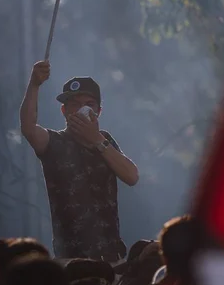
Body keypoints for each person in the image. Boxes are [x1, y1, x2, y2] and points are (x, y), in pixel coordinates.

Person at [20, 60, 139, 262]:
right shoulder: (54, 142)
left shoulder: (105, 140)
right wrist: (34, 85)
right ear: (64, 111)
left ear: (99, 111)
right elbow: (29, 128)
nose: (82, 110)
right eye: (74, 104)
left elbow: (132, 176)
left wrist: (96, 140)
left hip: (110, 256)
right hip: (71, 259)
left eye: (89, 104)